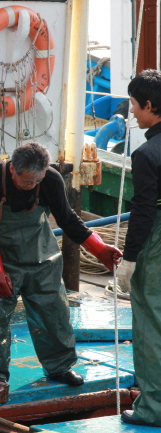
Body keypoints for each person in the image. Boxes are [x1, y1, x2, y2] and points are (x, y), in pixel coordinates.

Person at [0, 142, 122, 385]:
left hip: (41, 254)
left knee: (54, 312)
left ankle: (60, 366)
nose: (32, 186)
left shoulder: (50, 179)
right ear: (12, 170)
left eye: (36, 181)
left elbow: (67, 219)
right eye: (27, 181)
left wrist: (99, 249)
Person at [118, 69, 161, 427]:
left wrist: (129, 260)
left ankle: (153, 409)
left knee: (150, 323)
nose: (130, 110)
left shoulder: (147, 154)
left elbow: (144, 211)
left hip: (157, 243)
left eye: (133, 103)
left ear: (149, 105)